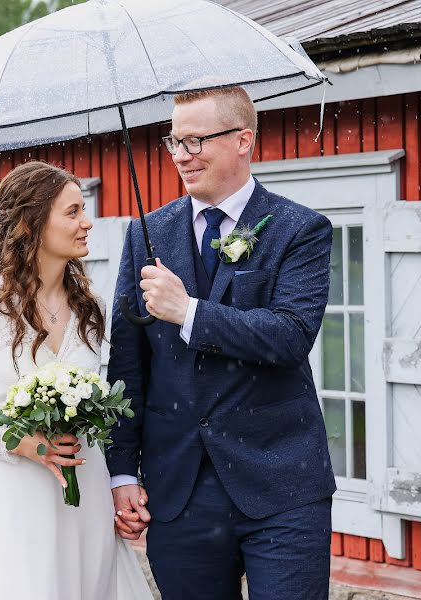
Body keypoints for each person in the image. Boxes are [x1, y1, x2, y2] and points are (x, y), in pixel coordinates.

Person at [107, 85, 337, 600]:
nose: (183, 156)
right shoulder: (146, 232)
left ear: (242, 140)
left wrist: (188, 311)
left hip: (282, 485)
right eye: (175, 142)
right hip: (179, 488)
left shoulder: (299, 229)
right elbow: (128, 363)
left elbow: (290, 335)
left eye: (197, 141)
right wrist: (121, 470)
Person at [0, 161, 152, 600]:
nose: (87, 222)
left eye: (85, 210)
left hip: (81, 500)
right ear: (31, 222)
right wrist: (19, 442)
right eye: (73, 211)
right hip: (6, 502)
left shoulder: (91, 308)